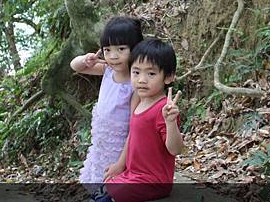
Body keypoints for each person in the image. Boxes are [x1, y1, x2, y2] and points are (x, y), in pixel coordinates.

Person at [102, 38, 184, 202]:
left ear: (168, 77)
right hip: (133, 175)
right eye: (136, 72)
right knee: (104, 188)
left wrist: (170, 123)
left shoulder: (164, 109)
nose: (141, 80)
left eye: (151, 73)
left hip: (153, 181)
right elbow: (133, 136)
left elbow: (175, 150)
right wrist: (120, 165)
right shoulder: (140, 102)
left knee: (113, 195)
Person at [70, 16, 143, 187]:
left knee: (111, 189)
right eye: (107, 50)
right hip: (100, 145)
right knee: (96, 185)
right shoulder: (108, 71)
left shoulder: (136, 84)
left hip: (119, 150)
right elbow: (75, 66)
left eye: (121, 49)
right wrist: (85, 60)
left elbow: (135, 129)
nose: (113, 56)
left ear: (136, 49)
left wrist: (120, 163)